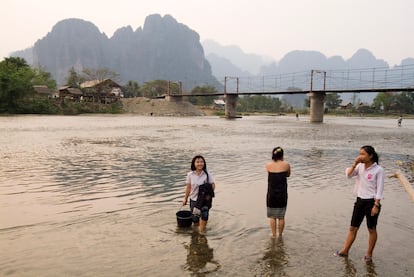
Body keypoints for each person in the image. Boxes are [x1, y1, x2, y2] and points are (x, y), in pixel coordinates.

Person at [334, 145, 384, 262]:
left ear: (370, 156)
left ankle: (369, 254)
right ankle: (345, 250)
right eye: (359, 154)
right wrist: (354, 164)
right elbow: (349, 175)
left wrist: (376, 205)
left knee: (371, 229)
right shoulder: (360, 166)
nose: (360, 156)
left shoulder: (379, 170)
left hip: (371, 202)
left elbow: (380, 189)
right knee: (352, 227)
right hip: (360, 200)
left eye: (363, 154)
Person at [183, 155, 216, 234]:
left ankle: (202, 233)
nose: (200, 164)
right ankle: (196, 232)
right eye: (197, 162)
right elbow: (188, 187)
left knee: (204, 216)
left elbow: (213, 184)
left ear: (204, 163)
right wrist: (185, 199)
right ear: (194, 163)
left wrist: (209, 194)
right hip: (194, 200)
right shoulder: (190, 175)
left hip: (205, 201)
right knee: (195, 219)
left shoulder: (207, 174)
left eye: (201, 162)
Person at [265, 147, 291, 238]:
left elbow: (269, 173)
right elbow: (288, 175)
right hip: (282, 193)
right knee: (281, 216)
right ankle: (280, 235)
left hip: (271, 193)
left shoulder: (268, 165)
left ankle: (273, 235)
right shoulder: (286, 165)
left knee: (272, 216)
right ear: (282, 155)